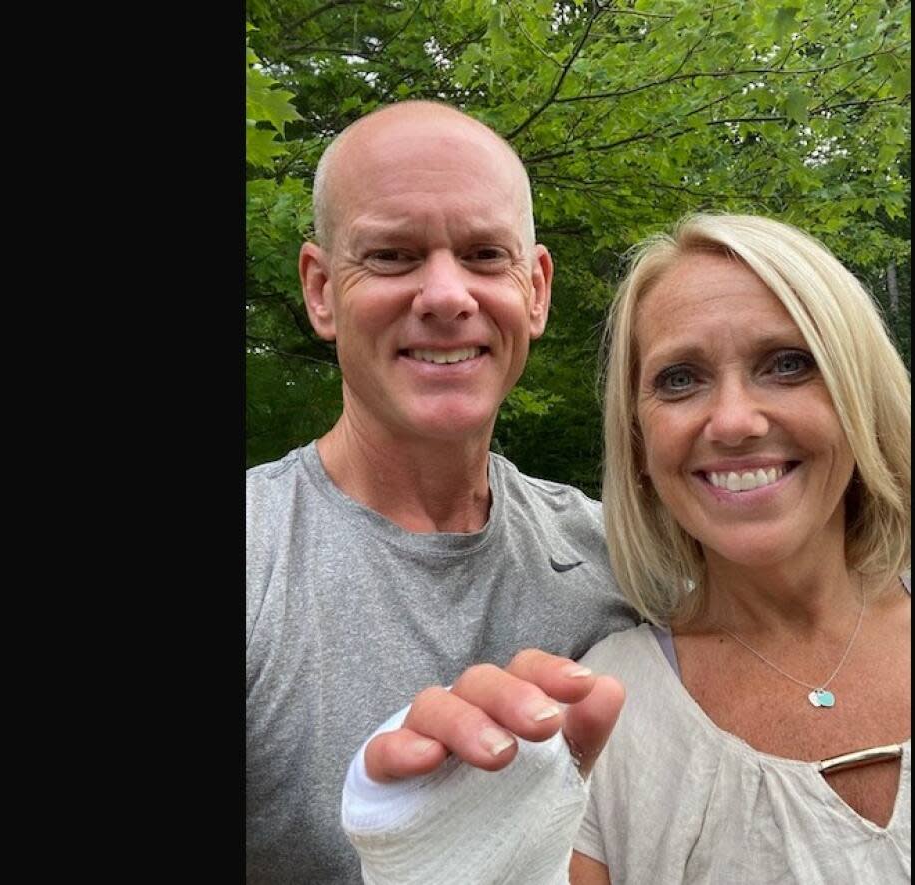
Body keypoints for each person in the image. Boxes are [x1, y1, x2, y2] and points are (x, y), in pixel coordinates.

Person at [342, 213, 911, 883]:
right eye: (679, 379)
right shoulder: (600, 724)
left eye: (788, 364)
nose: (732, 421)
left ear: (860, 394)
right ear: (640, 440)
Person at [246, 100, 637, 884]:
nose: (447, 294)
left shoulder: (618, 566)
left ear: (536, 288)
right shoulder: (254, 558)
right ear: (321, 290)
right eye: (391, 256)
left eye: (486, 254)